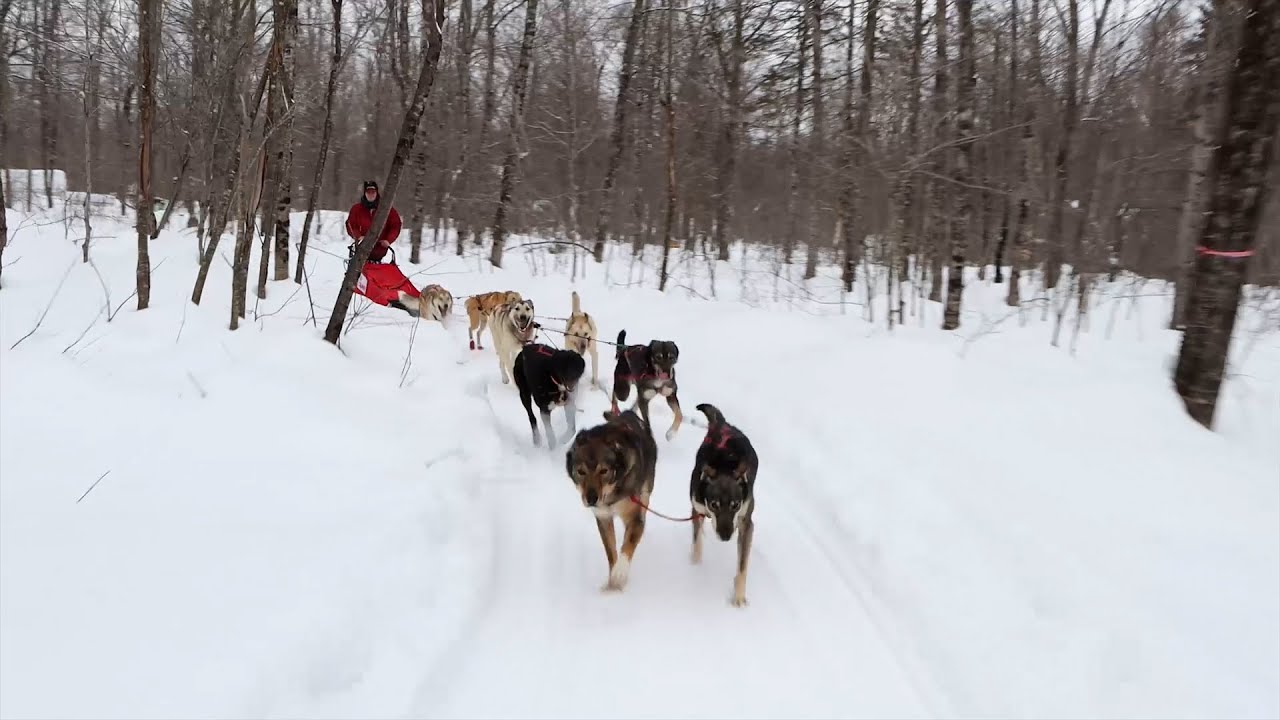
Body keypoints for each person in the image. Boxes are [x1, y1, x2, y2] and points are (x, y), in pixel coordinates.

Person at [345, 180, 403, 263]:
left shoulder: (387, 209)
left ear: (377, 193)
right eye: (368, 192)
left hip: (380, 251)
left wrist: (388, 240)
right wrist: (358, 237)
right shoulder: (356, 209)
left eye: (373, 192)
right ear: (365, 193)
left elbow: (395, 225)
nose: (371, 194)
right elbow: (351, 225)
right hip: (361, 251)